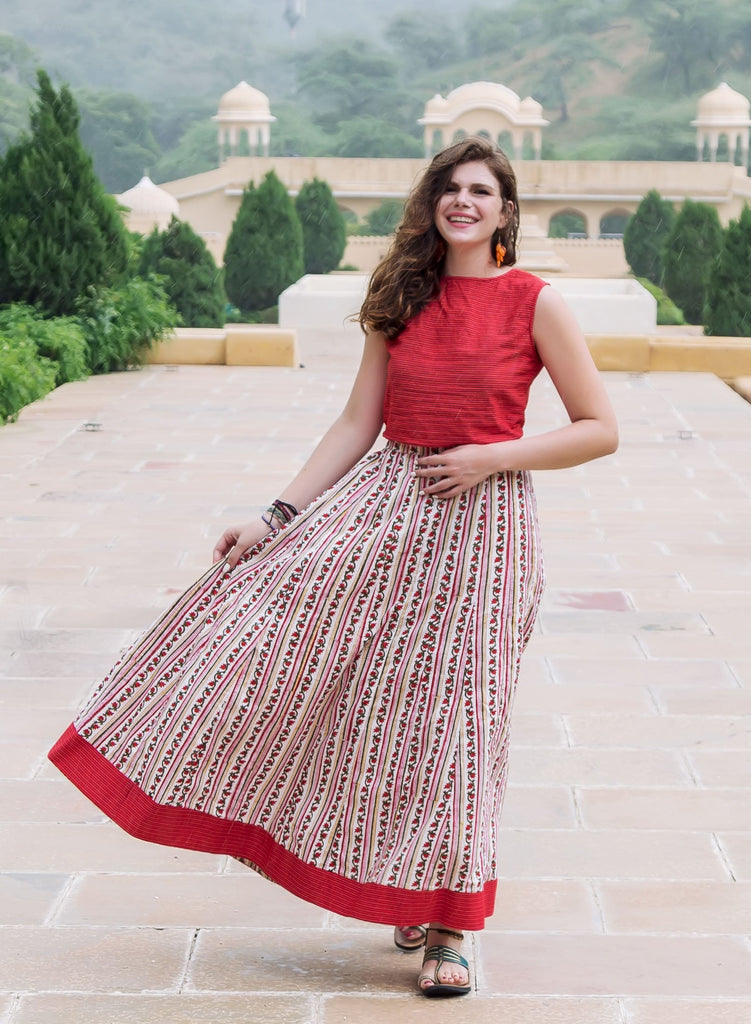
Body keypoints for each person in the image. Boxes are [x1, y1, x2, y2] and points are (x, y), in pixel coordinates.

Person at [49, 136, 618, 998]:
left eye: (480, 191)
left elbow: (598, 427)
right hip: (386, 506)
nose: (462, 202)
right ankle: (406, 879)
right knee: (343, 687)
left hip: (486, 526)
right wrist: (276, 514)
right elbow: (357, 423)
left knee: (459, 724)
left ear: (506, 211)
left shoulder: (535, 303)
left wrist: (493, 458)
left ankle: (452, 927)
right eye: (449, 189)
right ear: (432, 203)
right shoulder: (400, 297)